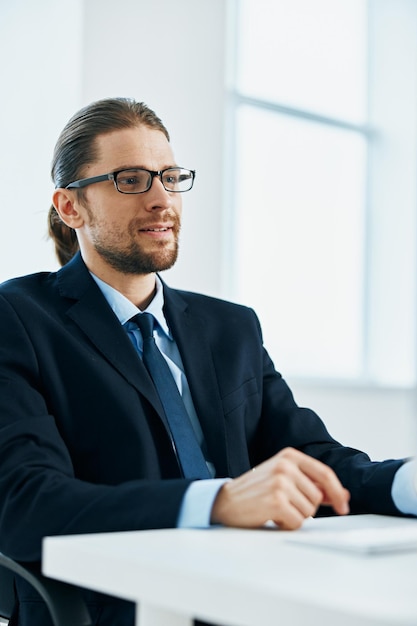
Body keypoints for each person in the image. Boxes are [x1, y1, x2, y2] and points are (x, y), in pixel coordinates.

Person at [0, 97, 415, 626]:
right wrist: (217, 502)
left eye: (170, 177)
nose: (160, 199)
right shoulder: (18, 318)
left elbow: (314, 461)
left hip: (249, 596)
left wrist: (405, 482)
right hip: (113, 608)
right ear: (70, 207)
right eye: (131, 179)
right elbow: (25, 503)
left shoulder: (231, 328)